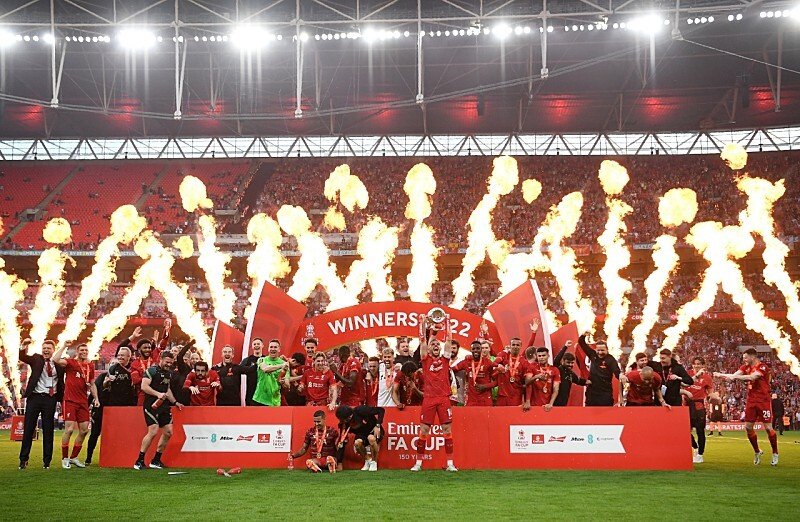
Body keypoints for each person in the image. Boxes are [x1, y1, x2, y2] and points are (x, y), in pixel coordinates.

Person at [714, 348, 779, 466]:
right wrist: (722, 375)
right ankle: (757, 451)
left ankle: (775, 453)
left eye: (746, 357)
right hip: (751, 400)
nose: (744, 360)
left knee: (768, 428)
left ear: (753, 357)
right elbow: (734, 375)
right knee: (748, 427)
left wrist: (733, 377)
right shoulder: (745, 367)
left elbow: (752, 377)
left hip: (763, 400)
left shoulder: (762, 367)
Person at [411, 327, 457, 472]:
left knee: (446, 430)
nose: (436, 346)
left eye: (438, 344)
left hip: (443, 398)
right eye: (433, 345)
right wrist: (422, 323)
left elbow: (449, 340)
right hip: (429, 399)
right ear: (429, 349)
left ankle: (450, 464)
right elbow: (422, 340)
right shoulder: (425, 361)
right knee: (424, 430)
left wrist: (447, 322)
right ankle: (418, 463)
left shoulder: (445, 360)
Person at [85, 345, 140, 465]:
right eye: (117, 356)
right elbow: (95, 393)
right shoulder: (103, 376)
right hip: (108, 408)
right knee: (95, 433)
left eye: (122, 356)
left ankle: (121, 457)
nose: (118, 359)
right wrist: (105, 384)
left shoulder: (134, 370)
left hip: (127, 408)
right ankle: (88, 457)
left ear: (129, 357)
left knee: (123, 434)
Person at [18, 338, 65, 470]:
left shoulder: (58, 363)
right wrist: (23, 346)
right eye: (44, 348)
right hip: (35, 397)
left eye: (48, 348)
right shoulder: (36, 359)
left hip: (50, 399)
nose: (46, 350)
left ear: (53, 350)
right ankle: (23, 459)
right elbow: (22, 356)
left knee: (48, 429)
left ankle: (47, 461)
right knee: (28, 429)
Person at [52, 343, 100, 469]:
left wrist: (96, 398)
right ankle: (64, 458)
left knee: (84, 430)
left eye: (86, 350)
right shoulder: (71, 363)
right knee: (69, 429)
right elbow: (55, 359)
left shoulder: (90, 365)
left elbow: (92, 383)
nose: (84, 352)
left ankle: (73, 457)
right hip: (70, 400)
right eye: (81, 350)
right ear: (77, 352)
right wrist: (63, 346)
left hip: (83, 401)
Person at [134, 351, 184, 470]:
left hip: (164, 406)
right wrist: (157, 394)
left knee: (168, 432)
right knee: (153, 430)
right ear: (160, 359)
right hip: (151, 405)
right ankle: (139, 461)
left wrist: (175, 402)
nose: (168, 365)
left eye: (171, 363)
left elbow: (167, 390)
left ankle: (156, 460)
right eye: (167, 362)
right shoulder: (152, 371)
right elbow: (144, 386)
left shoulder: (169, 373)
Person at [336, 405, 386, 471]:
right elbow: (341, 442)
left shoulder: (361, 410)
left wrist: (378, 425)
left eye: (343, 419)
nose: (342, 421)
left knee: (371, 438)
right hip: (362, 434)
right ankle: (368, 460)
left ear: (350, 416)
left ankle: (374, 462)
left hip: (373, 430)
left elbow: (381, 410)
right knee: (357, 443)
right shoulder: (343, 424)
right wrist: (339, 462)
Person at [578, 334, 623, 406]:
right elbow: (581, 342)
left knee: (605, 415)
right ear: (595, 349)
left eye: (602, 350)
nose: (600, 353)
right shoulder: (592, 354)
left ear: (607, 350)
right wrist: (584, 334)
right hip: (592, 393)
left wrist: (621, 376)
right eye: (598, 350)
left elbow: (617, 372)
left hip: (605, 393)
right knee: (589, 415)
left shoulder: (610, 359)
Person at [452, 340, 496, 406]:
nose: (475, 350)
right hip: (471, 399)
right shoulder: (466, 362)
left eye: (478, 348)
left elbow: (497, 381)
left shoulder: (488, 362)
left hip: (485, 399)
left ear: (481, 350)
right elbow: (452, 370)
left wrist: (485, 386)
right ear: (471, 350)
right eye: (473, 349)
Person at [686, 357, 713, 463]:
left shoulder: (707, 377)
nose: (696, 366)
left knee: (700, 431)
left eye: (699, 364)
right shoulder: (687, 374)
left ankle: (700, 454)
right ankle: (695, 447)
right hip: (687, 405)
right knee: (685, 431)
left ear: (703, 365)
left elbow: (710, 392)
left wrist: (713, 397)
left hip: (699, 406)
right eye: (695, 364)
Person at [252, 339, 288, 406]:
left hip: (274, 401)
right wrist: (281, 366)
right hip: (259, 399)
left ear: (279, 349)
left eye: (275, 347)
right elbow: (265, 369)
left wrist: (284, 382)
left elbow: (287, 384)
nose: (273, 349)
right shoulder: (261, 360)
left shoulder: (285, 364)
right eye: (271, 347)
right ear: (268, 349)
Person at [553, 341, 589, 406]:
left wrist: (590, 382)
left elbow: (579, 381)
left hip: (564, 403)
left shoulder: (570, 374)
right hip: (554, 403)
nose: (570, 365)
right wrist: (565, 347)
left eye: (572, 363)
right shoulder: (558, 369)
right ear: (563, 361)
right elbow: (556, 361)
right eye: (568, 362)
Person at [524, 347, 560, 412]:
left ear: (548, 356)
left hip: (547, 405)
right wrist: (536, 377)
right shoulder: (532, 367)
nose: (541, 357)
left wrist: (550, 404)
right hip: (533, 405)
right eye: (539, 356)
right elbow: (527, 383)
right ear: (537, 357)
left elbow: (556, 389)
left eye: (543, 355)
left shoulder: (555, 370)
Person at [493, 337, 527, 407]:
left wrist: (526, 400)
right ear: (510, 346)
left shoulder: (523, 361)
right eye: (513, 344)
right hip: (502, 395)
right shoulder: (504, 355)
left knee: (514, 417)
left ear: (521, 346)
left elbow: (525, 382)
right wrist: (499, 365)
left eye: (517, 345)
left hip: (515, 396)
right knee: (500, 417)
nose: (515, 347)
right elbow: (493, 363)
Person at [240, 337, 264, 405]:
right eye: (254, 344)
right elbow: (240, 370)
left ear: (262, 345)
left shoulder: (266, 359)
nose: (256, 345)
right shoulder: (247, 360)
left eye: (258, 344)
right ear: (252, 347)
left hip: (263, 394)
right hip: (251, 393)